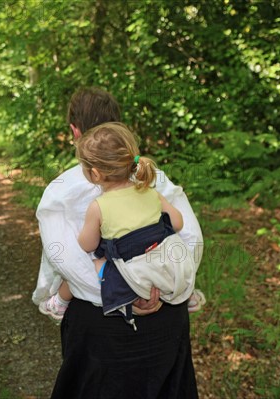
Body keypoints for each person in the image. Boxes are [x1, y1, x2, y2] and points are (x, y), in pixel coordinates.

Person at [32, 87, 203, 398]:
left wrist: (128, 293)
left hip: (103, 324)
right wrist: (160, 288)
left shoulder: (59, 190)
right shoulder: (155, 180)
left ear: (74, 131)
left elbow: (67, 260)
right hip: (166, 316)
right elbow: (190, 238)